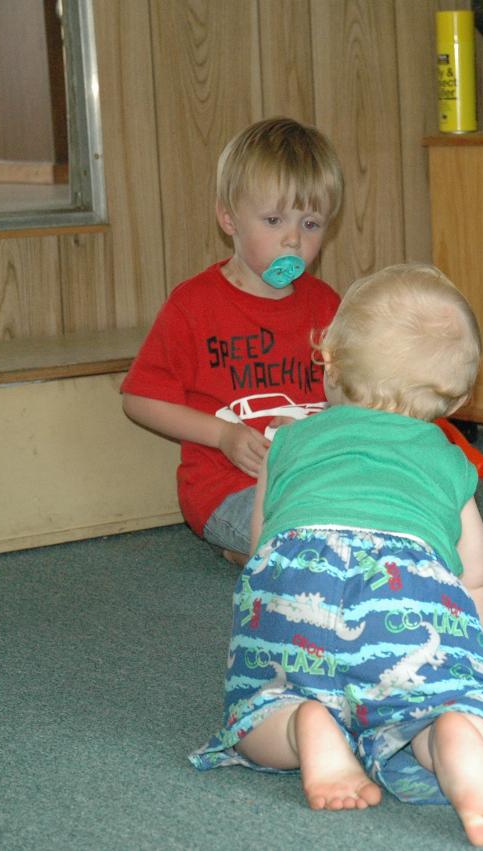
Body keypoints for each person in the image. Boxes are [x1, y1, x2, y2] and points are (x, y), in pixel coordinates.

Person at [189, 264, 483, 847]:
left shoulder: (289, 440)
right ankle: (448, 734)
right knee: (457, 704)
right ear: (458, 400)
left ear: (326, 364)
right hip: (400, 601)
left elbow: (260, 551)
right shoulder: (448, 461)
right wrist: (463, 666)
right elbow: (474, 577)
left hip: (297, 596)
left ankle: (306, 726)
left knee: (255, 715)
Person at [121, 117, 343, 563]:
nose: (294, 239)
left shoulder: (326, 305)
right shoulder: (194, 305)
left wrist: (320, 428)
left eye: (312, 224)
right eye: (274, 220)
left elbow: (350, 397)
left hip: (312, 480)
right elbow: (139, 399)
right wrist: (223, 435)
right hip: (228, 489)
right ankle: (266, 553)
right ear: (228, 218)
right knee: (304, 541)